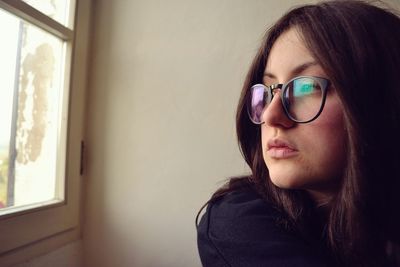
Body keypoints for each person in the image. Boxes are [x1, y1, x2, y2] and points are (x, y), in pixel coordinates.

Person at [196, 1, 400, 266]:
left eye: (305, 88)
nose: (271, 116)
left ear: (379, 100)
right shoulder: (241, 222)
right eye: (268, 91)